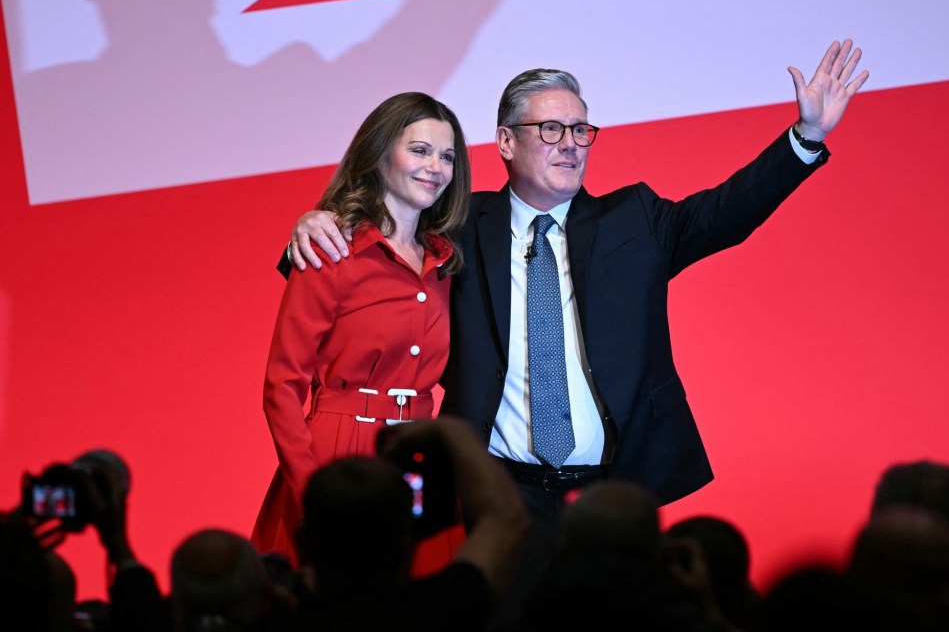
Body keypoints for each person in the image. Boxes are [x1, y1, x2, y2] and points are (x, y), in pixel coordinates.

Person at [284, 40, 868, 523]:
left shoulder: (634, 220)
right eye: (551, 128)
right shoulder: (457, 226)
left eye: (580, 129)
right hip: (493, 492)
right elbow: (385, 230)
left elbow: (727, 212)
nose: (570, 143)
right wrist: (320, 220)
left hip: (610, 495)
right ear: (506, 142)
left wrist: (805, 140)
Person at [252, 92, 472, 568]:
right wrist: (312, 492)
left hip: (421, 462)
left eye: (447, 156)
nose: (436, 166)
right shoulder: (329, 249)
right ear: (378, 154)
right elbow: (282, 386)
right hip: (338, 458)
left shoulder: (447, 260)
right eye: (420, 150)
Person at [295, 417, 528, 632]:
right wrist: (451, 429)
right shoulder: (442, 611)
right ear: (407, 543)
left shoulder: (272, 614)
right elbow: (505, 517)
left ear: (302, 540)